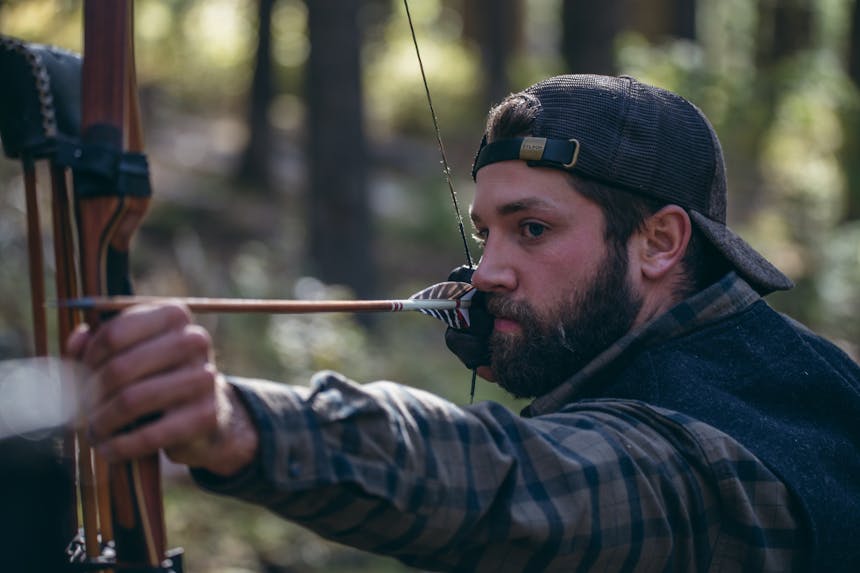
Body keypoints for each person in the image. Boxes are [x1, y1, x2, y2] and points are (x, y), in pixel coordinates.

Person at [70, 75, 860, 571]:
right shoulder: (791, 362)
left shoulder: (709, 466)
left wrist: (237, 420)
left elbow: (509, 484)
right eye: (488, 232)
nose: (487, 273)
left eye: (534, 229)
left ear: (660, 241)